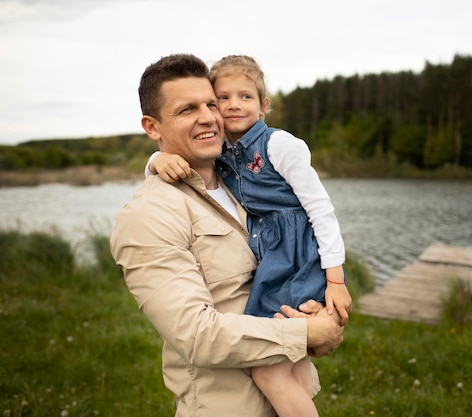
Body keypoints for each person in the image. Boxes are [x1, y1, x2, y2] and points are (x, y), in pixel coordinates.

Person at [110, 53, 344, 417]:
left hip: (288, 395)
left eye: (209, 103)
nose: (208, 116)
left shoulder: (239, 183)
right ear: (152, 127)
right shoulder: (149, 215)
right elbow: (195, 334)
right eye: (188, 109)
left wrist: (318, 317)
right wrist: (306, 335)